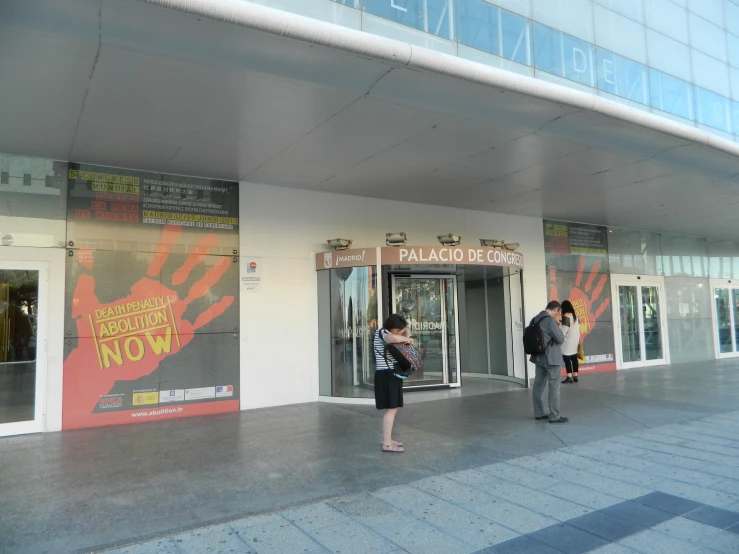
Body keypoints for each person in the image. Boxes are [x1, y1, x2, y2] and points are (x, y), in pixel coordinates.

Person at [373, 314, 413, 453]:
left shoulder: (387, 332)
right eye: (398, 330)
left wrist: (404, 332)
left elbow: (404, 331)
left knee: (392, 408)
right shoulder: (383, 332)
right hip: (386, 374)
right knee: (392, 408)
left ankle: (388, 439)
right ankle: (387, 444)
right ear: (392, 328)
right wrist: (406, 338)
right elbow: (394, 338)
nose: (400, 332)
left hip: (391, 374)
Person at [530, 301, 569, 424]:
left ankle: (539, 413)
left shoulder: (535, 319)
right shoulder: (550, 321)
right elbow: (560, 338)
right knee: (554, 386)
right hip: (551, 358)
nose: (558, 315)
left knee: (538, 385)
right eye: (559, 312)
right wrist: (558, 325)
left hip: (538, 357)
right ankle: (554, 415)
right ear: (556, 309)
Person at [560, 300, 581, 384]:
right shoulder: (575, 316)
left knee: (566, 358)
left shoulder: (566, 317)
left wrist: (559, 325)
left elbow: (564, 330)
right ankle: (575, 375)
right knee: (574, 358)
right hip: (575, 339)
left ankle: (569, 376)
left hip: (568, 340)